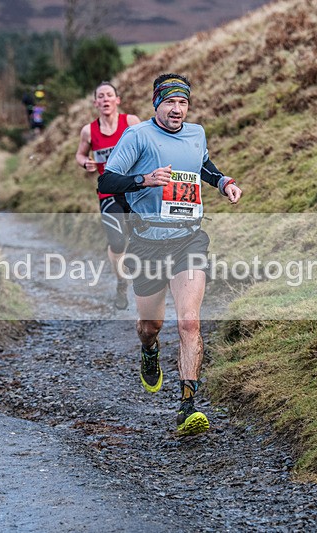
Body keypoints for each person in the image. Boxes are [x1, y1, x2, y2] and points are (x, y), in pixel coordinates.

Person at [98, 73, 242, 435]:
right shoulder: (137, 136)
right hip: (147, 242)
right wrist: (143, 180)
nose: (177, 109)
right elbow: (107, 181)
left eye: (183, 103)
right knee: (151, 327)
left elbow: (203, 166)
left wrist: (224, 182)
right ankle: (149, 350)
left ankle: (187, 405)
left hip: (188, 239)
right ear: (156, 104)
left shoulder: (197, 133)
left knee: (189, 322)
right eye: (170, 102)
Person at [75, 82, 141, 310]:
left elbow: (147, 145)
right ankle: (122, 282)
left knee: (143, 237)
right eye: (100, 96)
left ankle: (152, 282)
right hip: (108, 192)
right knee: (117, 241)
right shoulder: (88, 131)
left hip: (135, 190)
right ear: (95, 103)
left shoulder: (131, 122)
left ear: (117, 100)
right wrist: (86, 163)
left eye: (109, 95)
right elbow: (80, 154)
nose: (105, 99)